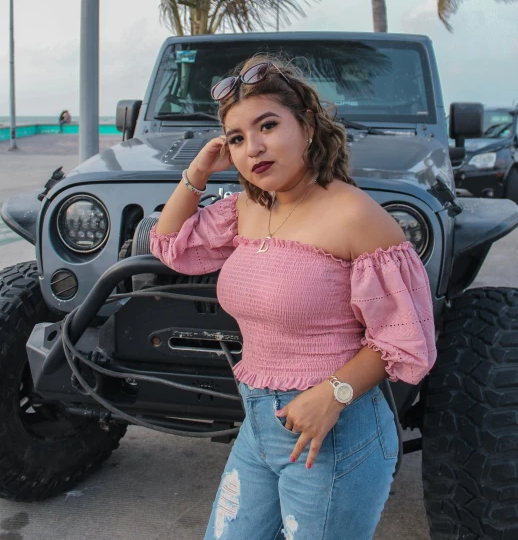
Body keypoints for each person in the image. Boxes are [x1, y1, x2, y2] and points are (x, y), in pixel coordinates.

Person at [150, 55, 437, 540]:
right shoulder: (247, 207)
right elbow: (171, 246)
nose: (253, 148)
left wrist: (334, 394)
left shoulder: (355, 216)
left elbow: (406, 340)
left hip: (334, 432)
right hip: (259, 426)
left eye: (267, 125)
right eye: (238, 138)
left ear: (306, 127)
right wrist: (198, 171)